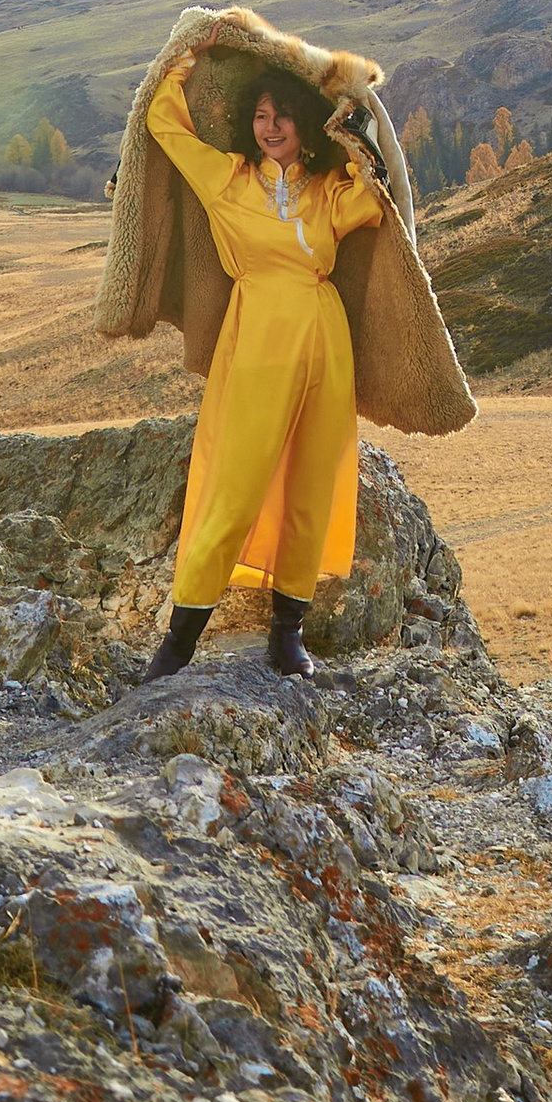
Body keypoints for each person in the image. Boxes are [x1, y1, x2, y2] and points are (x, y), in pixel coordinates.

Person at [139, 43, 385, 682]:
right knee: (236, 483)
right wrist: (183, 60)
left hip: (324, 339)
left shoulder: (328, 191)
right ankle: (179, 643)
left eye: (283, 115)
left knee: (311, 483)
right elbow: (165, 126)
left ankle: (287, 634)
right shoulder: (228, 180)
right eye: (260, 116)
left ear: (305, 122)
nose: (269, 127)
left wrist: (358, 116)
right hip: (256, 340)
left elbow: (375, 197)